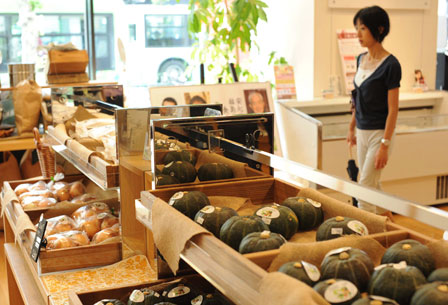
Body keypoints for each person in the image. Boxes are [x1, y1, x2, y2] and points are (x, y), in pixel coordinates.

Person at [347, 6, 401, 214]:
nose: (358, 34)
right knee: (373, 186)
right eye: (357, 28)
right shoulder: (361, 59)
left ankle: (368, 237)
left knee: (364, 189)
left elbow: (393, 109)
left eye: (363, 29)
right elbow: (357, 98)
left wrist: (385, 145)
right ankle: (388, 227)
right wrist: (352, 128)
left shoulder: (391, 65)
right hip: (362, 131)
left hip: (380, 134)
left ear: (378, 29)